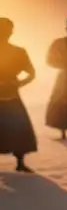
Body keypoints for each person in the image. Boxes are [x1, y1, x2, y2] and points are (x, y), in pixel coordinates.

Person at [0, 18, 37, 172]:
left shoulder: (19, 52)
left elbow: (31, 73)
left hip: (12, 94)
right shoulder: (18, 51)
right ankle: (20, 162)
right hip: (10, 93)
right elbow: (31, 73)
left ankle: (20, 162)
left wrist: (19, 83)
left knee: (18, 128)